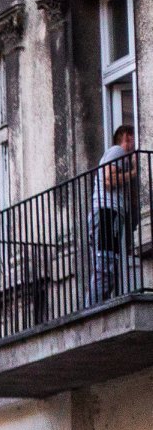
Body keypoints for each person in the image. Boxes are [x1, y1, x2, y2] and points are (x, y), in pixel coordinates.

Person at [90, 124, 137, 303]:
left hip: (106, 214)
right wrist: (133, 173)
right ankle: (92, 311)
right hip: (107, 213)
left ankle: (93, 309)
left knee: (106, 269)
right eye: (134, 137)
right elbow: (109, 181)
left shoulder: (120, 157)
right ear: (126, 136)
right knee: (105, 269)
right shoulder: (118, 151)